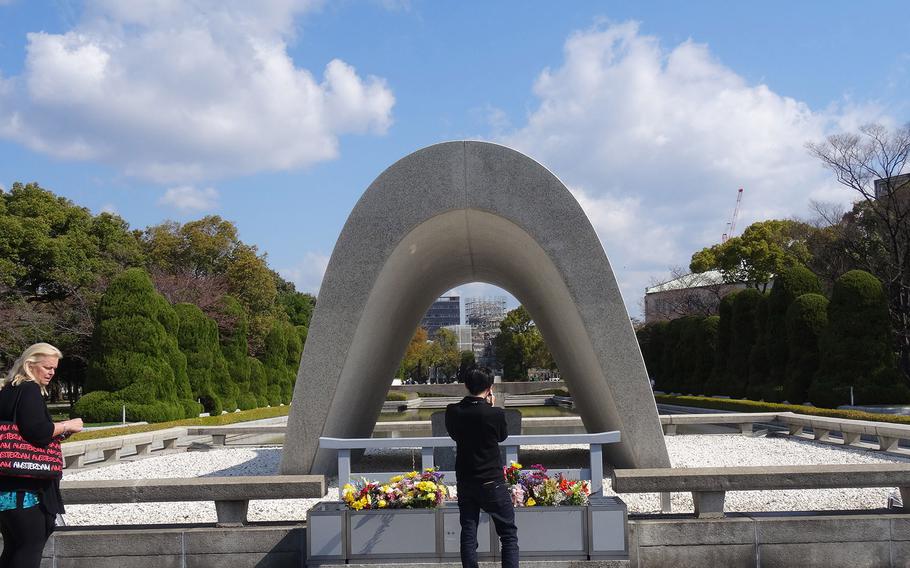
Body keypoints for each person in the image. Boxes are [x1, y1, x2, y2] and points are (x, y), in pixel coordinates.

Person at [0, 343, 83, 568]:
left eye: (54, 369)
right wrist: (68, 425)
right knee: (30, 545)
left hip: (6, 486)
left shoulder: (8, 390)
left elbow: (22, 432)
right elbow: (37, 432)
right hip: (27, 489)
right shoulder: (29, 389)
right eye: (46, 367)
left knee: (14, 546)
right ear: (30, 364)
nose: (51, 373)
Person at [444, 368, 518, 568]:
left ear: (466, 386)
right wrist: (491, 407)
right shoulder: (495, 413)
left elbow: (454, 434)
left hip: (466, 481)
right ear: (489, 388)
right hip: (492, 481)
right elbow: (501, 437)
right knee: (508, 534)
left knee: (468, 531)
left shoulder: (453, 411)